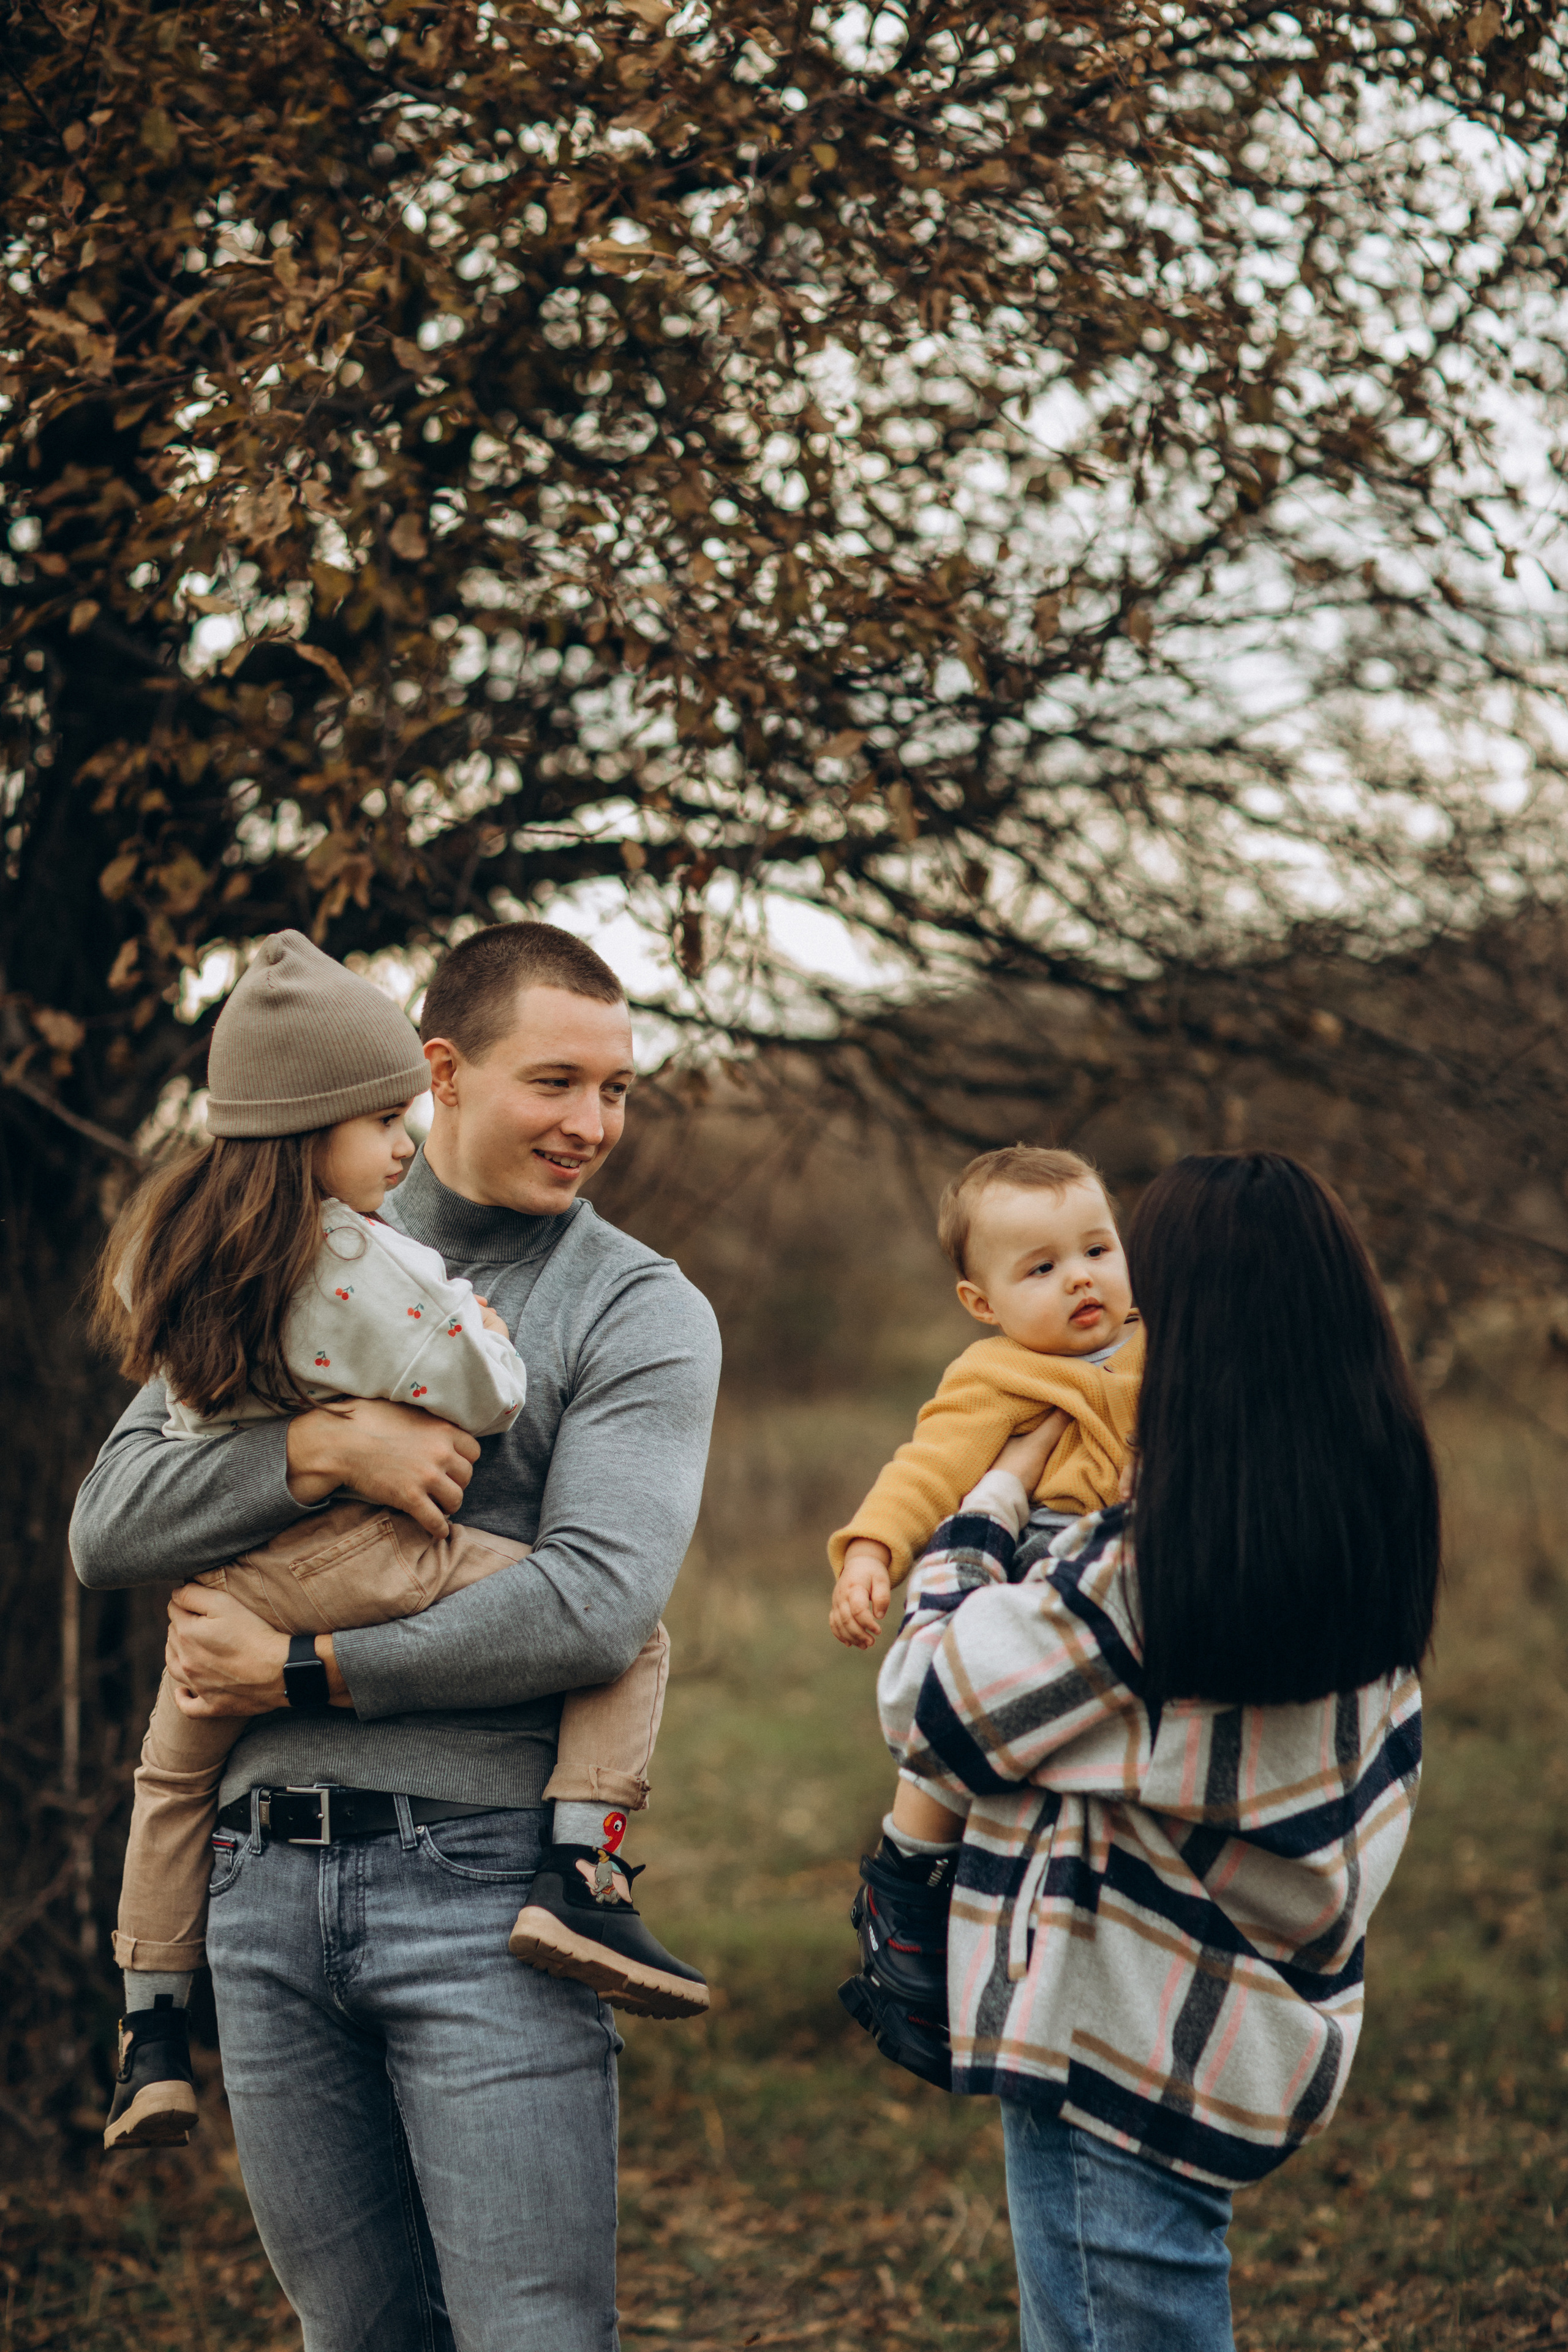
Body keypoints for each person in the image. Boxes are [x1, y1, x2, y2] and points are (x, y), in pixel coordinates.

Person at [70, 921, 721, 2352]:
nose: (592, 1124)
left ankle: (586, 1879)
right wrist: (317, 1449)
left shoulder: (634, 1306)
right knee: (355, 2335)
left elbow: (597, 1602)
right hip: (257, 1888)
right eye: (557, 1081)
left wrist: (308, 1671)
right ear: (441, 1072)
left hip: (489, 1891)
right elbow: (107, 1527)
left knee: (531, 2333)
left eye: (616, 1089)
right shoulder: (269, 1241)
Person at [859, 1152, 1438, 2352]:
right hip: (1255, 2003)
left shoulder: (1147, 1573)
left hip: (1112, 2032)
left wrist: (988, 1504)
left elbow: (924, 1700)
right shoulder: (1361, 1519)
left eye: (1134, 1287)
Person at [828, 1147, 1139, 2081]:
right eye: (1041, 1268)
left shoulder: (1166, 1345)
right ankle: (906, 1882)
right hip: (1025, 1565)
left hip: (1125, 1573)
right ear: (982, 1302)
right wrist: (874, 1552)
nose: (1081, 1277)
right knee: (955, 1727)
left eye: (1096, 1249)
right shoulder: (996, 1376)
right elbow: (924, 1469)